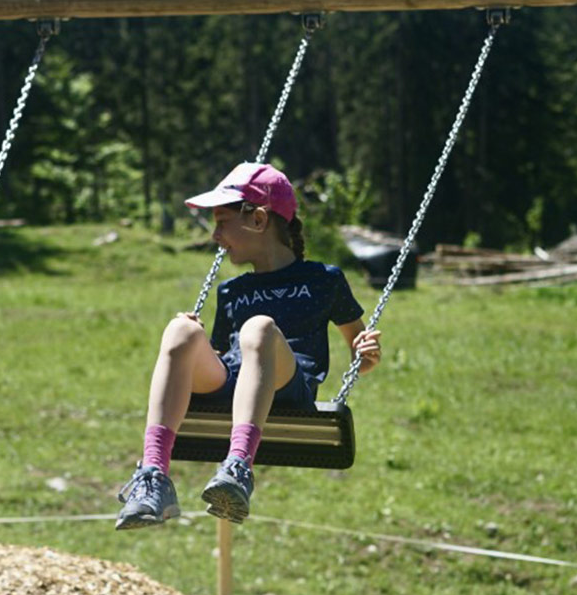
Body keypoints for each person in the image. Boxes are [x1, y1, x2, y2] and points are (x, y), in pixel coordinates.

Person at [116, 162, 380, 529]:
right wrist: (194, 340)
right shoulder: (232, 291)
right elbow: (224, 357)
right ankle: (153, 477)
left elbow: (359, 354)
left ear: (258, 220)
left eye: (222, 222)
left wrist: (365, 356)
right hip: (239, 380)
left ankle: (239, 466)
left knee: (257, 329)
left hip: (289, 384)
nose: (215, 235)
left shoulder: (324, 280)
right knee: (179, 330)